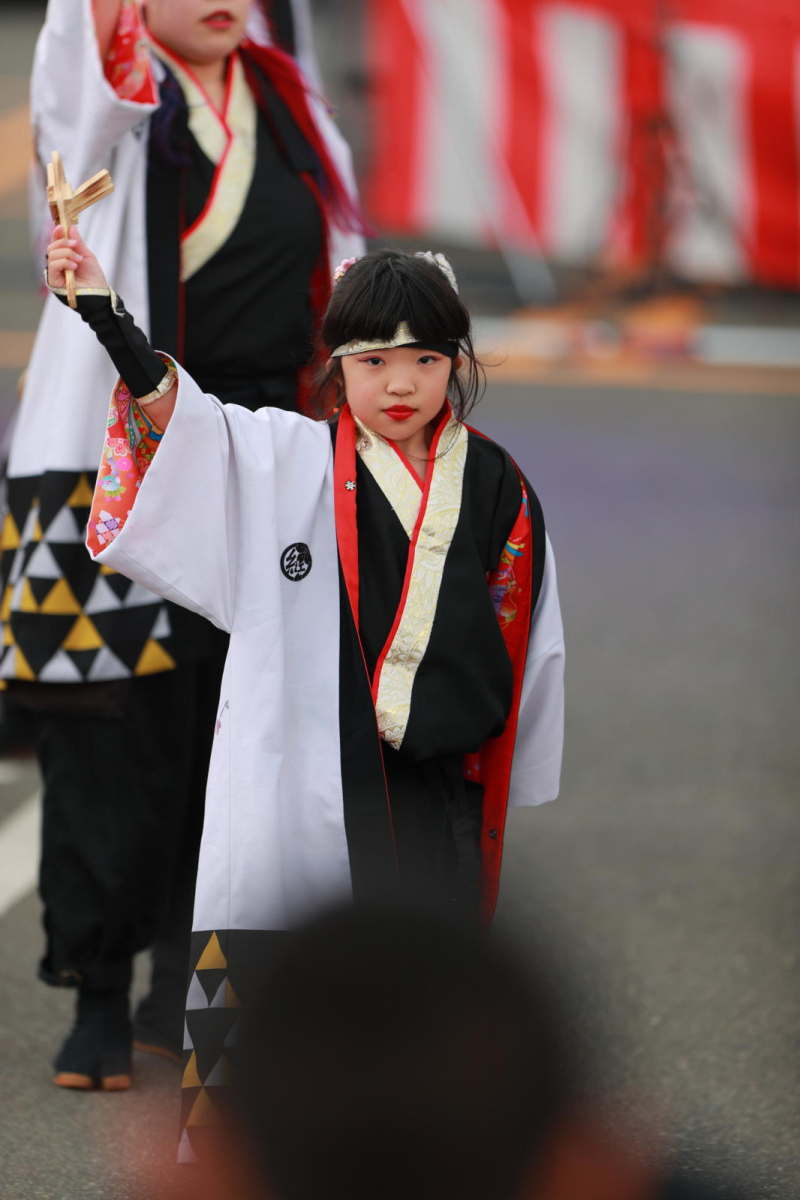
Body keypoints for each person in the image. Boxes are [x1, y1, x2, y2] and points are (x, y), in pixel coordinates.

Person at [45, 230, 565, 1143]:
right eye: (373, 362)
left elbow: (523, 633)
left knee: (420, 1002)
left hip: (431, 788)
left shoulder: (495, 483)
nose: (399, 385)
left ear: (457, 364)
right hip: (300, 776)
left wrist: (497, 773)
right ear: (336, 366)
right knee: (274, 980)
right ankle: (255, 1160)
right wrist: (104, 312)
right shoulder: (283, 458)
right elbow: (178, 416)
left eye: (425, 360)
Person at [0, 0, 363, 1090]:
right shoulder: (102, 101)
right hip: (107, 450)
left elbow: (342, 265)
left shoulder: (294, 106)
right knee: (107, 730)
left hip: (270, 453)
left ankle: (188, 987)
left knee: (243, 729)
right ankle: (99, 991)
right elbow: (80, 56)